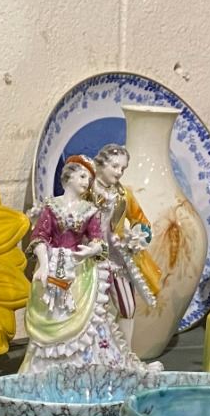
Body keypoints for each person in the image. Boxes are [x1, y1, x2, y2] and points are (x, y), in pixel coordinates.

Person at [23, 156, 147, 373]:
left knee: (86, 316)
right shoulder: (51, 206)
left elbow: (98, 239)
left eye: (88, 179)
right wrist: (43, 263)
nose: (86, 182)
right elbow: (40, 236)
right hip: (54, 267)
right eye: (81, 176)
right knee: (52, 312)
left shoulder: (90, 210)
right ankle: (47, 368)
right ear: (68, 177)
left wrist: (92, 250)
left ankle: (85, 364)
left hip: (80, 270)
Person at [90, 143, 161, 323]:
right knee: (93, 309)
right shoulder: (87, 191)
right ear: (101, 164)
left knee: (127, 308)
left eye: (123, 168)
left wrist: (137, 238)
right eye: (115, 166)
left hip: (116, 258)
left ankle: (123, 341)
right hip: (90, 258)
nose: (119, 172)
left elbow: (141, 220)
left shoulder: (123, 195)